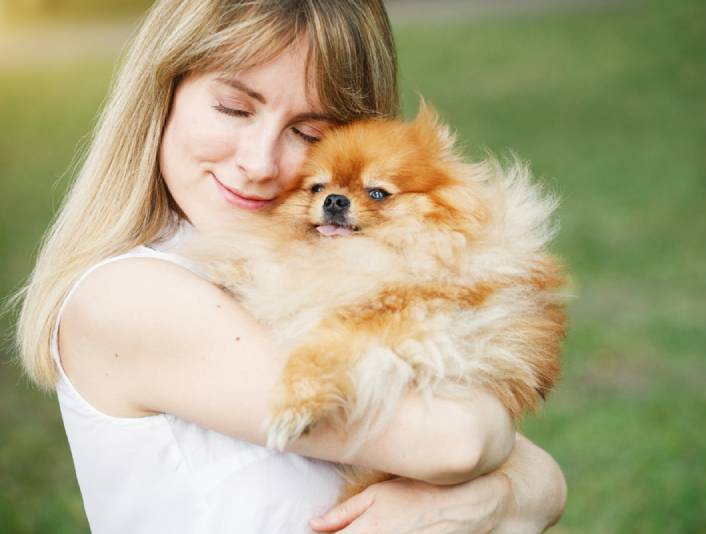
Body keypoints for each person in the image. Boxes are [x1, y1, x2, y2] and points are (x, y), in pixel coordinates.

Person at [13, 1, 567, 532]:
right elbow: (459, 442)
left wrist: (504, 495)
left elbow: (546, 483)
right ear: (161, 95)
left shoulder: (293, 271)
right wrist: (502, 489)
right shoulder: (129, 297)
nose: (258, 163)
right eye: (234, 109)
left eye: (308, 134)